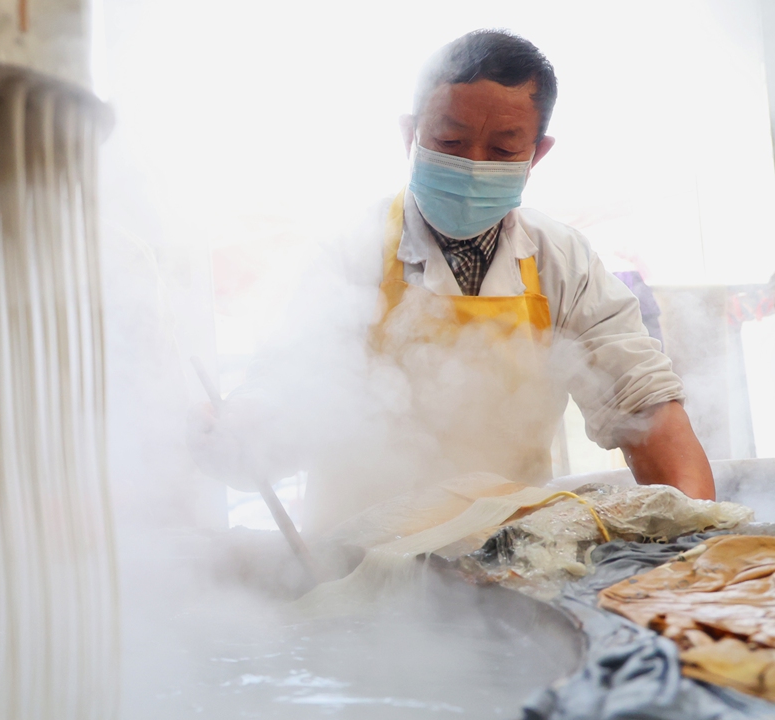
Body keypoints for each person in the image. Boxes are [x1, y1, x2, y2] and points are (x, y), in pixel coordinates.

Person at [189, 30, 714, 536]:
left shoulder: (563, 261)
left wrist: (700, 542)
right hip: (355, 574)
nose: (473, 165)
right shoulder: (350, 253)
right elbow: (287, 390)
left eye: (504, 149)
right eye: (450, 140)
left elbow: (645, 410)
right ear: (409, 133)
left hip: (512, 573)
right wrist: (242, 434)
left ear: (537, 153)